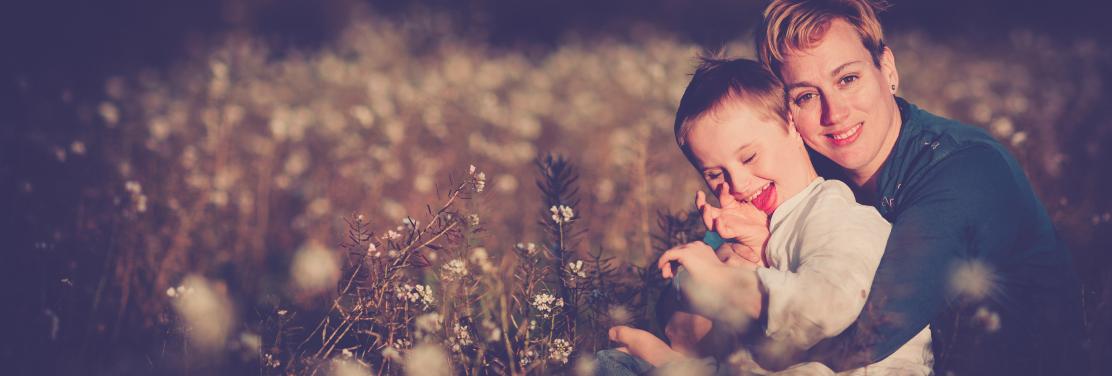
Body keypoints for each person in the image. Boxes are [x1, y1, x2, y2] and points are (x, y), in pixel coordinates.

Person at [742, 1, 1087, 374]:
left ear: (886, 68)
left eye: (847, 79)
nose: (834, 113)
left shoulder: (964, 169)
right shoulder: (816, 170)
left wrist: (730, 349)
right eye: (806, 96)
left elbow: (869, 337)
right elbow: (706, 260)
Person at [599, 58, 933, 375]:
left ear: (790, 123)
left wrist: (723, 278)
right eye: (715, 174)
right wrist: (727, 258)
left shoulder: (835, 212)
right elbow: (690, 326)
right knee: (610, 364)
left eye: (749, 156)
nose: (739, 183)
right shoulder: (746, 226)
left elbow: (827, 305)